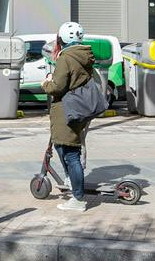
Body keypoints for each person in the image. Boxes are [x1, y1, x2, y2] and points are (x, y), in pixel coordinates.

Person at [41, 20, 96, 211]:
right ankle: (72, 181)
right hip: (78, 107)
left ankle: (78, 199)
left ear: (62, 38)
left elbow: (57, 87)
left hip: (67, 109)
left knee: (71, 154)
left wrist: (46, 83)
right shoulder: (84, 55)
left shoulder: (66, 58)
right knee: (63, 146)